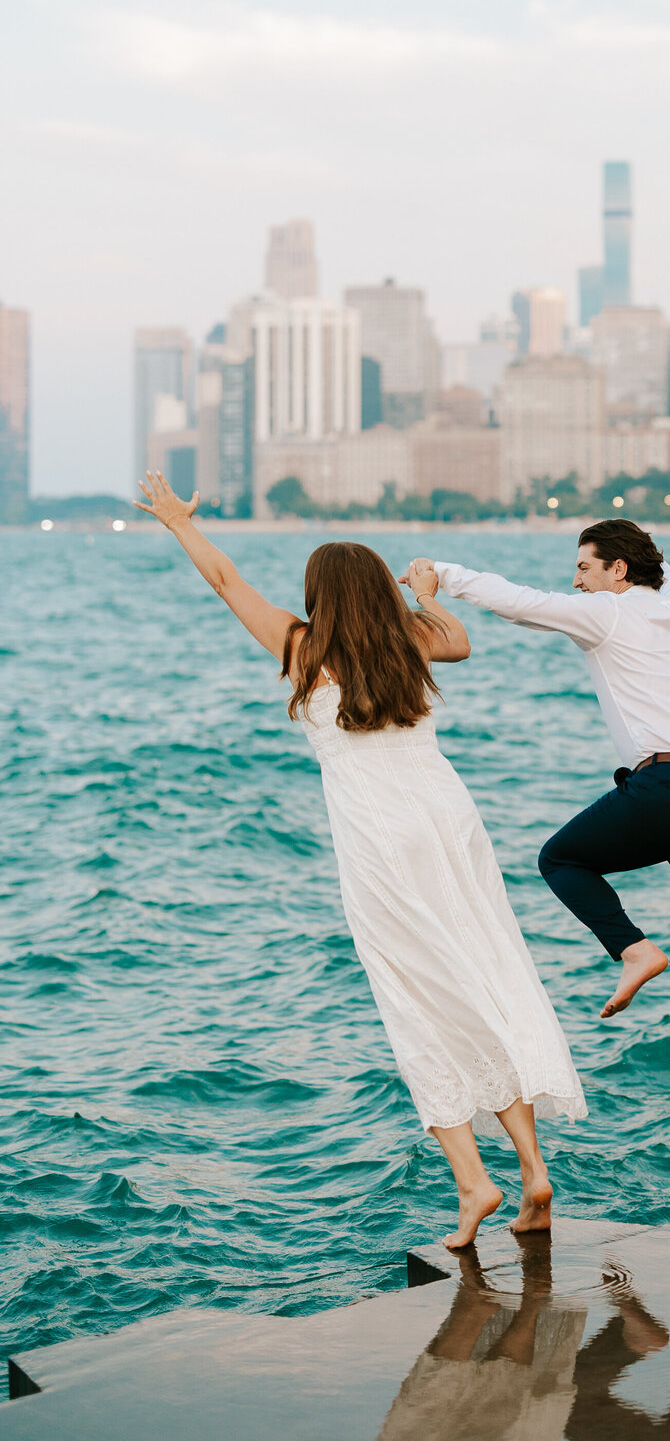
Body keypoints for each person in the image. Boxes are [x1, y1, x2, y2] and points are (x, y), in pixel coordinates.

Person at [133, 473, 585, 1250]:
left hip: (382, 843)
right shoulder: (410, 638)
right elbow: (462, 639)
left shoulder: (302, 646)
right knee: (485, 976)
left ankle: (475, 1182)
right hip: (451, 824)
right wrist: (427, 589)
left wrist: (178, 523)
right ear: (377, 591)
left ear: (318, 595)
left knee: (417, 1000)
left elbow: (225, 579)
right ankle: (533, 1169)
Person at [404, 520, 670, 1163]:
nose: (576, 578)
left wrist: (441, 577)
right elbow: (648, 566)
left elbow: (520, 602)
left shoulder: (608, 614)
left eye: (585, 566)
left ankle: (633, 950)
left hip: (669, 791)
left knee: (560, 858)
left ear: (618, 572)